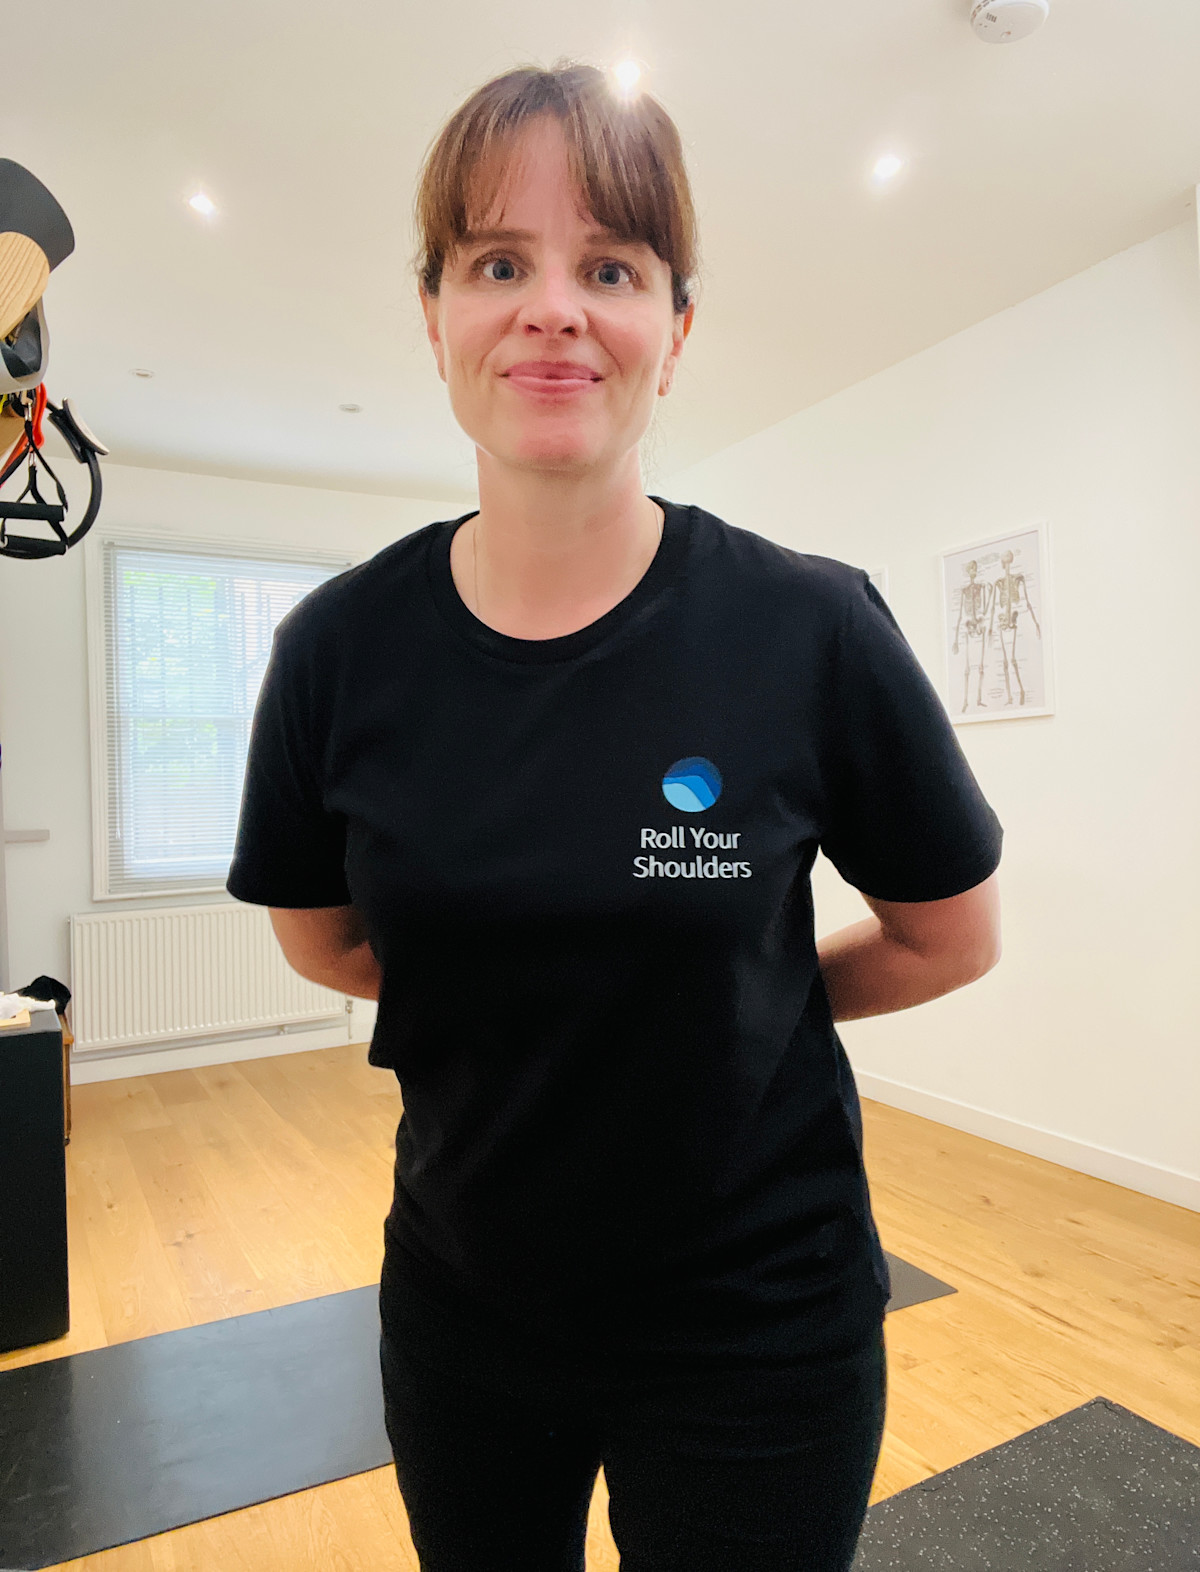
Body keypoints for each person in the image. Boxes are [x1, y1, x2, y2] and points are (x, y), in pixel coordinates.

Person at [226, 58, 1003, 1572]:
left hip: (759, 1330)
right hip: (465, 1315)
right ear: (435, 318)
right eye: (496, 264)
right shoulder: (335, 650)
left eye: (611, 268)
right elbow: (325, 941)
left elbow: (948, 937)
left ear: (677, 329)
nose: (552, 310)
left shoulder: (813, 628)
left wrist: (745, 1002)